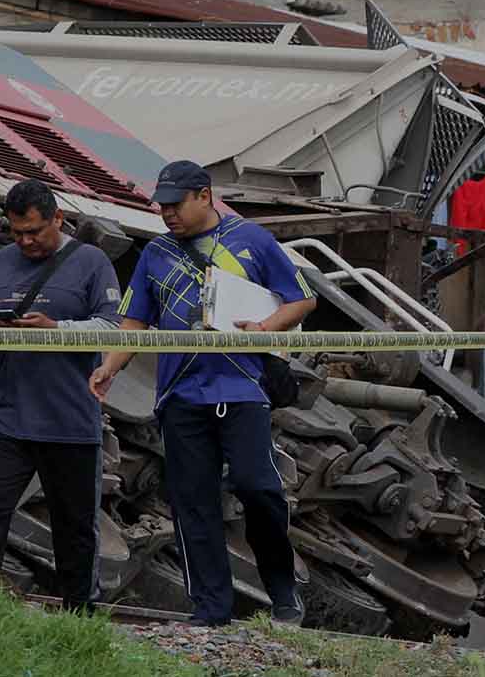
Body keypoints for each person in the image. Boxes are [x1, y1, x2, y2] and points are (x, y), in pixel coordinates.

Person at [88, 160, 317, 627]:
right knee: (193, 502)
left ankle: (283, 593)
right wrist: (109, 367)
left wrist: (265, 329)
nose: (168, 213)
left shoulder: (252, 240)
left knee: (259, 488)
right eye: (162, 206)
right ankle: (211, 608)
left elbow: (302, 298)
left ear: (204, 195)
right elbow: (135, 321)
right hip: (179, 395)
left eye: (176, 204)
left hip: (243, 388)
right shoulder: (155, 254)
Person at [0, 178, 122, 611]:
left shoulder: (92, 263)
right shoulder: (1, 262)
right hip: (7, 417)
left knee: (74, 527)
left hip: (70, 422)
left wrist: (57, 330)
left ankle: (79, 618)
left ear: (59, 219)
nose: (26, 241)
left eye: (34, 231)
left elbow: (112, 327)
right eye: (17, 233)